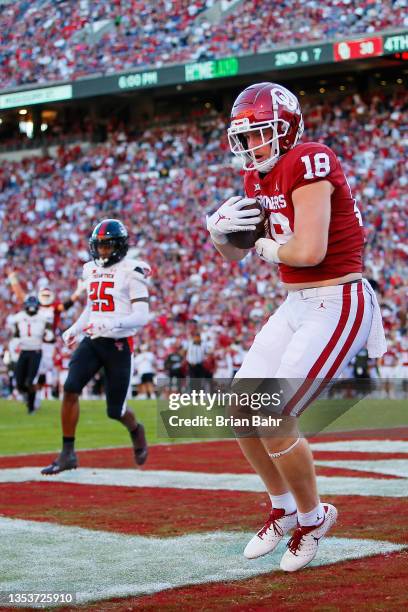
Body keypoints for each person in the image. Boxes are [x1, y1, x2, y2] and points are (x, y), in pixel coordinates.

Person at [206, 82, 387, 572]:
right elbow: (237, 253)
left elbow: (308, 253)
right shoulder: (256, 180)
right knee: (242, 405)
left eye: (259, 133)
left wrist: (261, 247)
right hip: (297, 302)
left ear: (285, 130)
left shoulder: (310, 160)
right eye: (244, 136)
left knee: (273, 412)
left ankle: (314, 517)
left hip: (338, 298)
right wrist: (219, 234)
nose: (250, 145)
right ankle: (283, 509)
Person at [41, 219, 150, 474]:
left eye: (107, 246)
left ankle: (136, 429)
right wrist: (75, 329)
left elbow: (142, 316)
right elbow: (92, 307)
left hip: (119, 344)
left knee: (115, 410)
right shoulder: (89, 269)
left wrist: (113, 324)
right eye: (99, 246)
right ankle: (67, 453)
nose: (102, 252)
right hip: (93, 341)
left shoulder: (133, 270)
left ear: (120, 246)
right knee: (70, 389)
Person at [12, 295, 52, 413]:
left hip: (36, 352)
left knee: (30, 381)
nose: (31, 308)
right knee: (19, 382)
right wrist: (14, 347)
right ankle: (28, 396)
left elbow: (50, 335)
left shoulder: (43, 318)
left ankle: (31, 407)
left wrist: (48, 335)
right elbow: (16, 335)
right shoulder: (19, 317)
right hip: (24, 351)